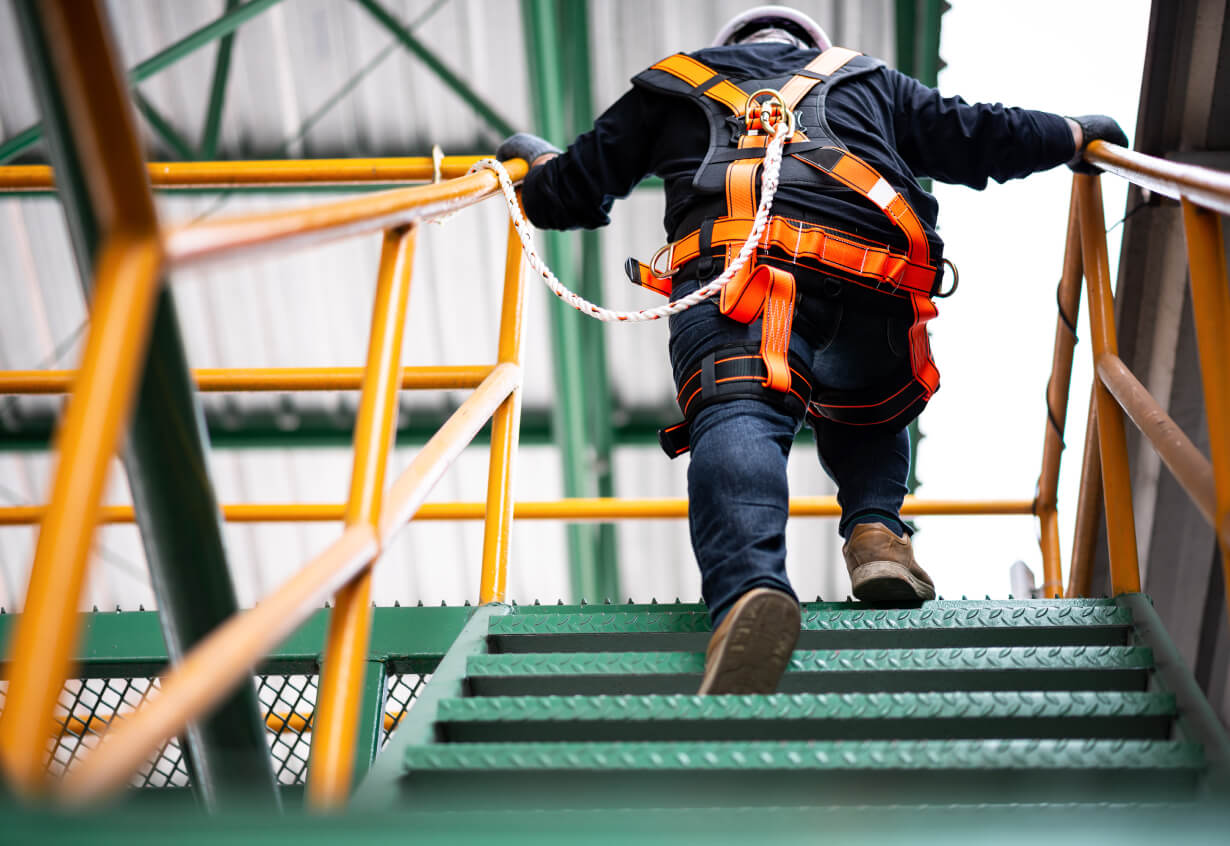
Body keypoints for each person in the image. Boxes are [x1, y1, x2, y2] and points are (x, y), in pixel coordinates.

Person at [496, 5, 1127, 695]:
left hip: (742, 280)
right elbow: (978, 134)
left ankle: (749, 593)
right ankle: (878, 535)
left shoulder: (670, 86)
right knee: (869, 412)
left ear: (727, 49)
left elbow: (568, 194)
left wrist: (531, 163)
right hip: (877, 282)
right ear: (813, 48)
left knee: (739, 415)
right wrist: (1072, 135)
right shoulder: (869, 80)